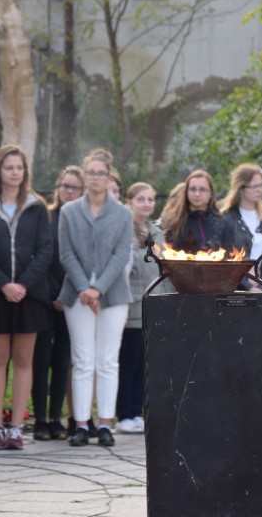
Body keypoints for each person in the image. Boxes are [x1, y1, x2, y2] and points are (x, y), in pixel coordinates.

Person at [0, 145, 53, 450]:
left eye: (19, 168)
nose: (14, 172)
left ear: (24, 172)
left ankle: (16, 428)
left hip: (29, 296)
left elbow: (45, 250)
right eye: (9, 168)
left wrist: (23, 286)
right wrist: (4, 284)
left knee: (24, 360)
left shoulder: (37, 207)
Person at [59, 151, 133, 447]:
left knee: (107, 360)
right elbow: (66, 254)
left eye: (100, 173)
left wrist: (98, 289)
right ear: (84, 177)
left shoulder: (122, 214)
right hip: (77, 294)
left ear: (109, 176)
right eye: (90, 172)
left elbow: (121, 255)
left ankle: (104, 423)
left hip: (113, 295)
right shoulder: (69, 212)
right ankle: (80, 424)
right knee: (82, 360)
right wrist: (85, 289)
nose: (95, 178)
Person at [31, 165, 84, 441]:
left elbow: (82, 263)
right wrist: (54, 294)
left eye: (75, 187)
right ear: (57, 188)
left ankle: (56, 418)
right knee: (40, 360)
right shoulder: (46, 218)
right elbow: (39, 257)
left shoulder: (82, 222)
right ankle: (40, 418)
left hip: (72, 301)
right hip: (44, 298)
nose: (69, 191)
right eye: (65, 186)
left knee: (63, 361)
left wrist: (67, 296)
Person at [116, 182, 172, 434]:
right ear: (129, 202)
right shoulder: (123, 230)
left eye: (150, 199)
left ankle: (137, 411)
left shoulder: (157, 232)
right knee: (129, 361)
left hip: (155, 305)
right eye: (141, 199)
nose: (147, 204)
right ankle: (123, 413)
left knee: (144, 363)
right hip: (132, 305)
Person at [220, 163, 262, 288]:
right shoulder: (226, 218)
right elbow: (226, 258)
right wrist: (248, 286)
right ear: (241, 188)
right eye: (254, 186)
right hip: (236, 288)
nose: (259, 190)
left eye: (261, 185)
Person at [161, 169, 234, 253]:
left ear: (210, 193)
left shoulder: (223, 223)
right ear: (186, 192)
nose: (197, 194)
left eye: (202, 189)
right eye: (192, 189)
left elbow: (229, 256)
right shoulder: (175, 223)